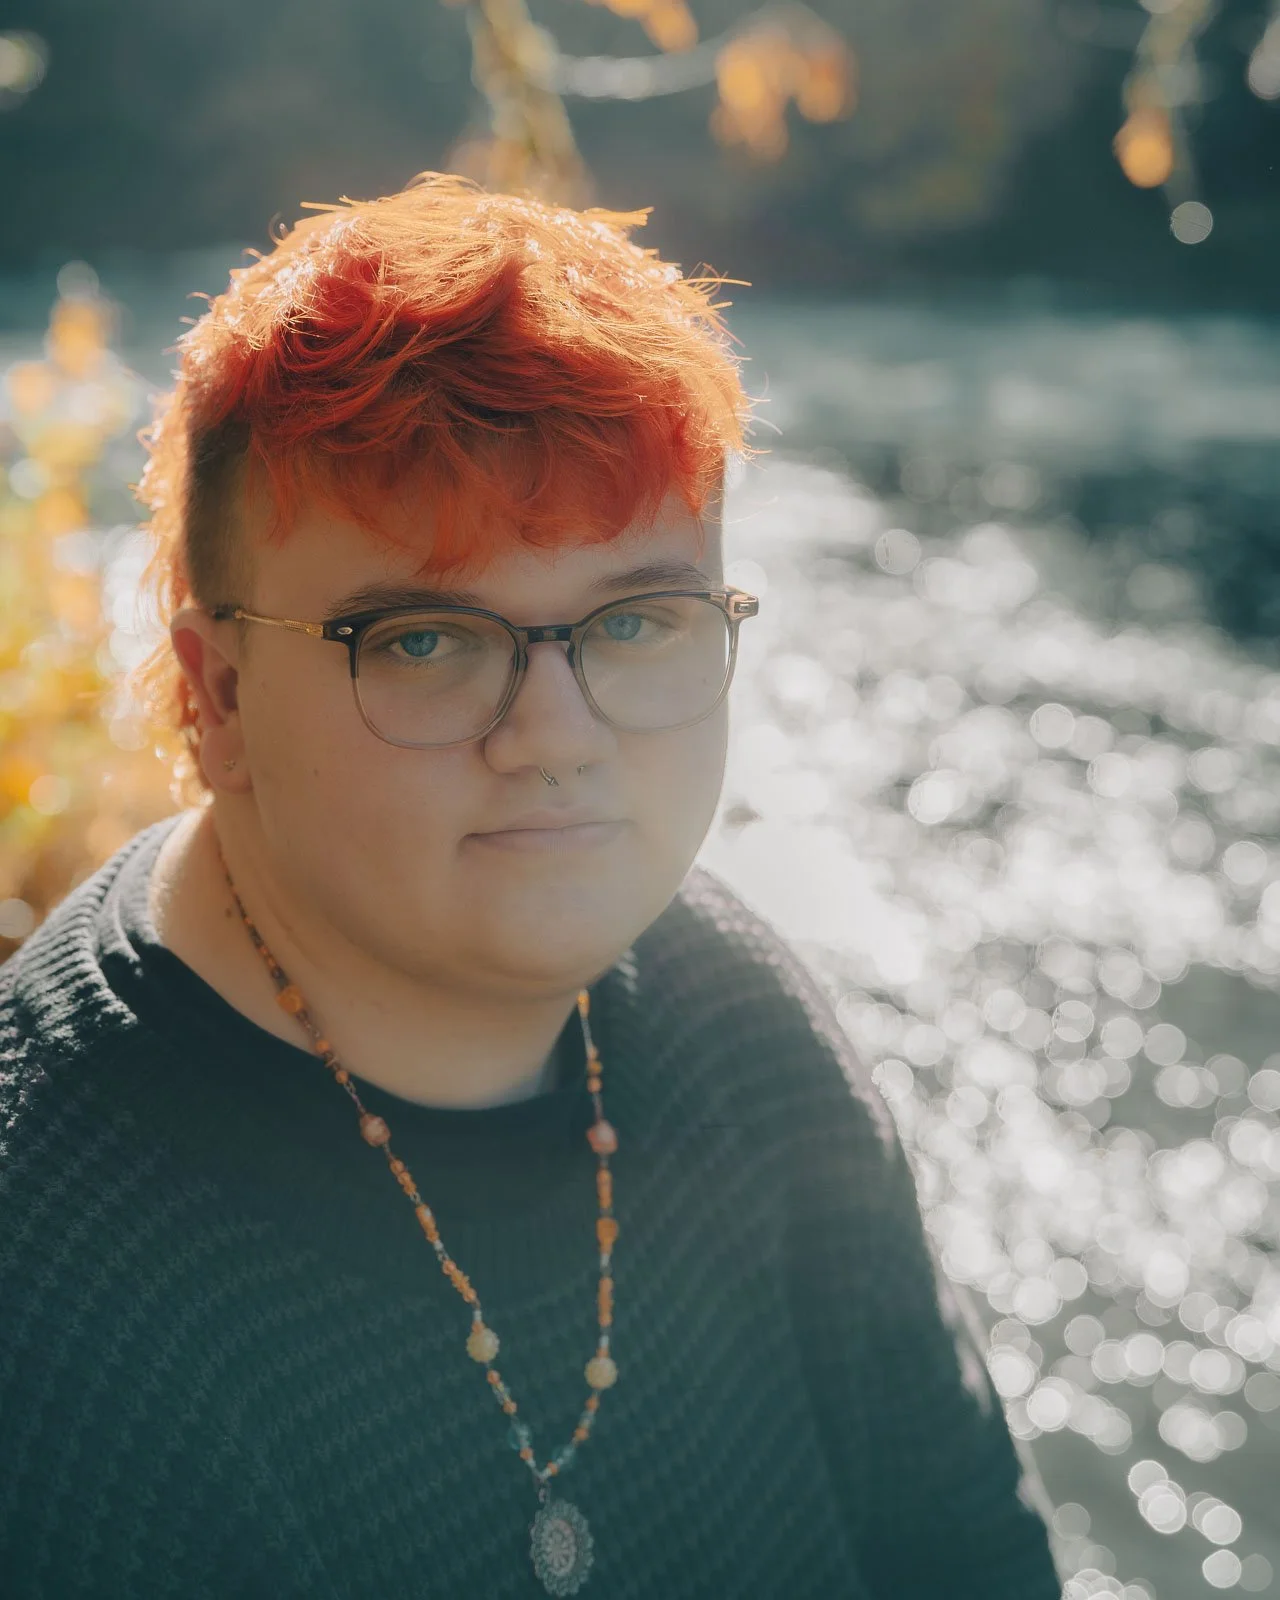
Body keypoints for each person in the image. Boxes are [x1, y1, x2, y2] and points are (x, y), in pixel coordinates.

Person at [0, 172, 1063, 1598]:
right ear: (221, 698)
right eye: (427, 640)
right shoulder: (55, 1312)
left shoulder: (737, 1020)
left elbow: (975, 1562)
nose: (556, 737)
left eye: (635, 619)